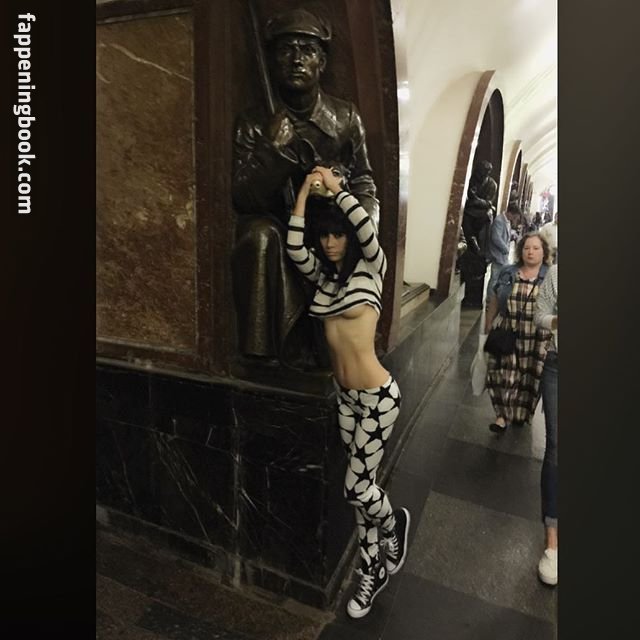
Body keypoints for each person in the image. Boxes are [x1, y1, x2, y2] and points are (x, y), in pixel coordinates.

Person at [286, 166, 410, 619]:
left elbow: (365, 228)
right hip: (347, 400)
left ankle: (394, 527)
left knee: (357, 487)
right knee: (362, 493)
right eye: (325, 235)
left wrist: (337, 189)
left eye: (337, 234)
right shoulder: (324, 279)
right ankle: (371, 572)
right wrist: (305, 191)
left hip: (378, 398)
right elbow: (295, 247)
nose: (330, 242)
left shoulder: (372, 268)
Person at [232, 8, 379, 367]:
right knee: (259, 235)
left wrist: (362, 221)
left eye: (307, 50)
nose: (296, 60)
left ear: (322, 62)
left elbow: (364, 178)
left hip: (329, 223)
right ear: (272, 61)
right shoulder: (254, 122)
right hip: (281, 223)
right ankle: (264, 355)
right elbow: (243, 197)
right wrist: (272, 151)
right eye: (286, 50)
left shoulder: (345, 118)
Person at [483, 232, 553, 433]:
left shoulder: (550, 276)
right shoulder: (508, 272)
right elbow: (495, 298)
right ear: (521, 251)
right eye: (526, 248)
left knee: (530, 378)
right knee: (503, 375)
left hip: (537, 337)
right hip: (509, 331)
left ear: (544, 252)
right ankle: (502, 416)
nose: (530, 252)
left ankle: (520, 415)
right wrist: (488, 323)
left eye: (536, 248)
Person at [534, 263, 558, 586]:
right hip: (558, 365)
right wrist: (556, 321)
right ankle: (552, 542)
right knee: (556, 446)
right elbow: (540, 314)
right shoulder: (557, 272)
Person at [459, 160, 498, 307]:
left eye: (484, 172)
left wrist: (477, 201)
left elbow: (488, 203)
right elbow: (468, 198)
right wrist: (475, 201)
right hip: (470, 212)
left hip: (481, 213)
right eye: (480, 171)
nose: (481, 175)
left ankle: (478, 245)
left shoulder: (492, 184)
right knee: (467, 221)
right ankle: (470, 240)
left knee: (487, 216)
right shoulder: (472, 180)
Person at [485, 203, 520, 303]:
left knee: (500, 278)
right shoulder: (499, 221)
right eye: (514, 217)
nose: (514, 219)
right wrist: (506, 249)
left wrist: (513, 234)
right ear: (509, 213)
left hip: (502, 256)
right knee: (494, 278)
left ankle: (495, 297)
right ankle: (490, 299)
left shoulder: (506, 221)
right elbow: (496, 238)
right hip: (497, 255)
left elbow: (506, 234)